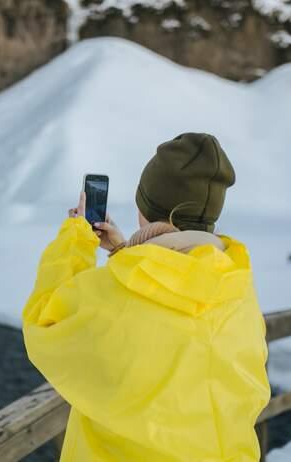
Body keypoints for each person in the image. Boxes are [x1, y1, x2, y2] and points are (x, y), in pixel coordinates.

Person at [22, 133, 270, 461]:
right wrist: (128, 253)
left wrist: (76, 241)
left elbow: (45, 323)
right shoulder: (236, 288)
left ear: (145, 208)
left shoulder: (120, 292)